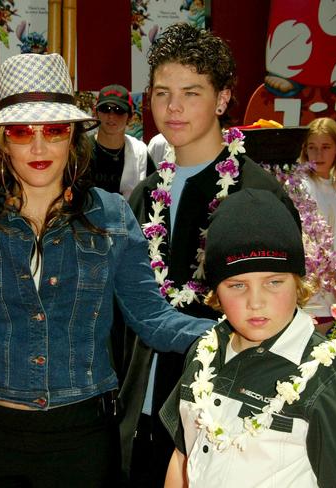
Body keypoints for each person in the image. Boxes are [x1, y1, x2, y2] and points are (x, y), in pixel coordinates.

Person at [0, 52, 214, 488]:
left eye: (54, 130)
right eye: (22, 131)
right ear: (2, 140)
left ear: (73, 137)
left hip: (83, 438)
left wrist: (229, 332)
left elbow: (151, 319)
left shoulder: (112, 215)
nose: (39, 147)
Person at [118, 23, 300, 487]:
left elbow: (278, 315)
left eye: (191, 93)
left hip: (222, 416)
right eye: (162, 93)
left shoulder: (256, 195)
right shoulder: (144, 195)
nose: (173, 108)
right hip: (141, 412)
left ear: (222, 100)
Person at [160, 188, 336, 487]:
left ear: (298, 283)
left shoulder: (329, 378)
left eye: (274, 282)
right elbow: (183, 455)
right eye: (237, 285)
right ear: (215, 292)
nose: (256, 302)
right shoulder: (204, 355)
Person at [299, 117, 336, 331]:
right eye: (312, 147)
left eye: (325, 147)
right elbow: (310, 244)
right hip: (311, 297)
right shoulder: (300, 187)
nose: (318, 154)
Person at [89, 84, 155, 197]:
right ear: (95, 112)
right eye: (106, 109)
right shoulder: (81, 149)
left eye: (119, 110)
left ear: (130, 116)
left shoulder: (140, 154)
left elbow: (154, 195)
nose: (111, 116)